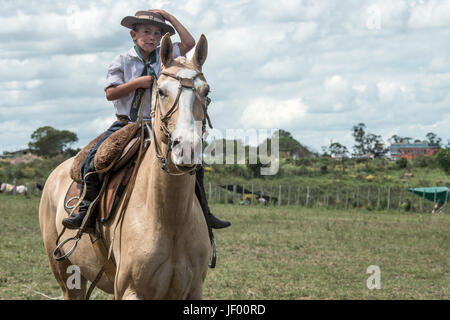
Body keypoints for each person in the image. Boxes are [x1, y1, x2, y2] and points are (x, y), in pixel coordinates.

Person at [63, 9, 230, 231]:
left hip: (157, 126)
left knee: (194, 161)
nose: (152, 37)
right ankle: (85, 209)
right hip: (127, 124)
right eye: (147, 32)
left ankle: (205, 213)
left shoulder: (166, 58)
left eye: (157, 33)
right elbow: (110, 93)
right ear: (134, 35)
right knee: (95, 159)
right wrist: (137, 82)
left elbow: (189, 42)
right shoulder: (122, 60)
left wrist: (169, 17)